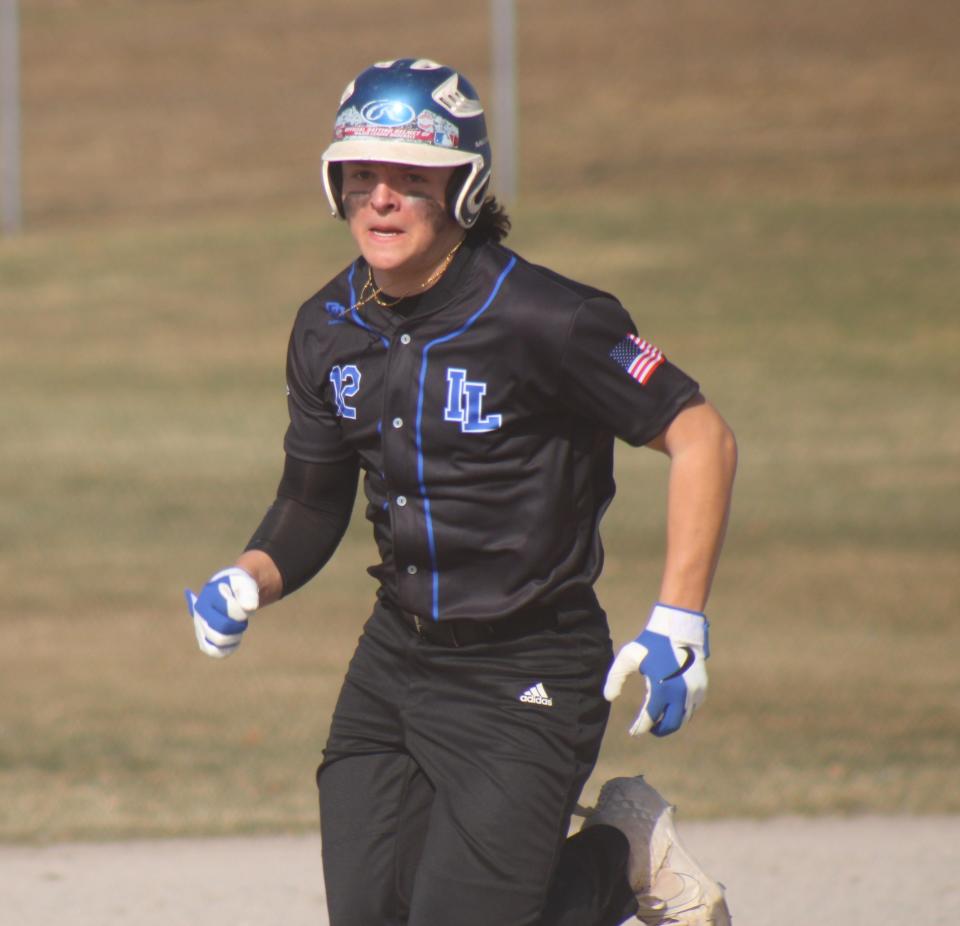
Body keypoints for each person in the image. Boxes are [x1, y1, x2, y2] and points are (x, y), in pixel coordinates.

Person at [186, 58, 737, 926]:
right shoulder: (328, 327)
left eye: (411, 177)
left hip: (528, 666)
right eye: (361, 174)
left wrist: (679, 619)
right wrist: (248, 577)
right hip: (395, 663)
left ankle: (614, 858)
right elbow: (310, 500)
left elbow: (700, 432)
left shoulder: (550, 319)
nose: (382, 199)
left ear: (464, 184)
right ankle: (612, 858)